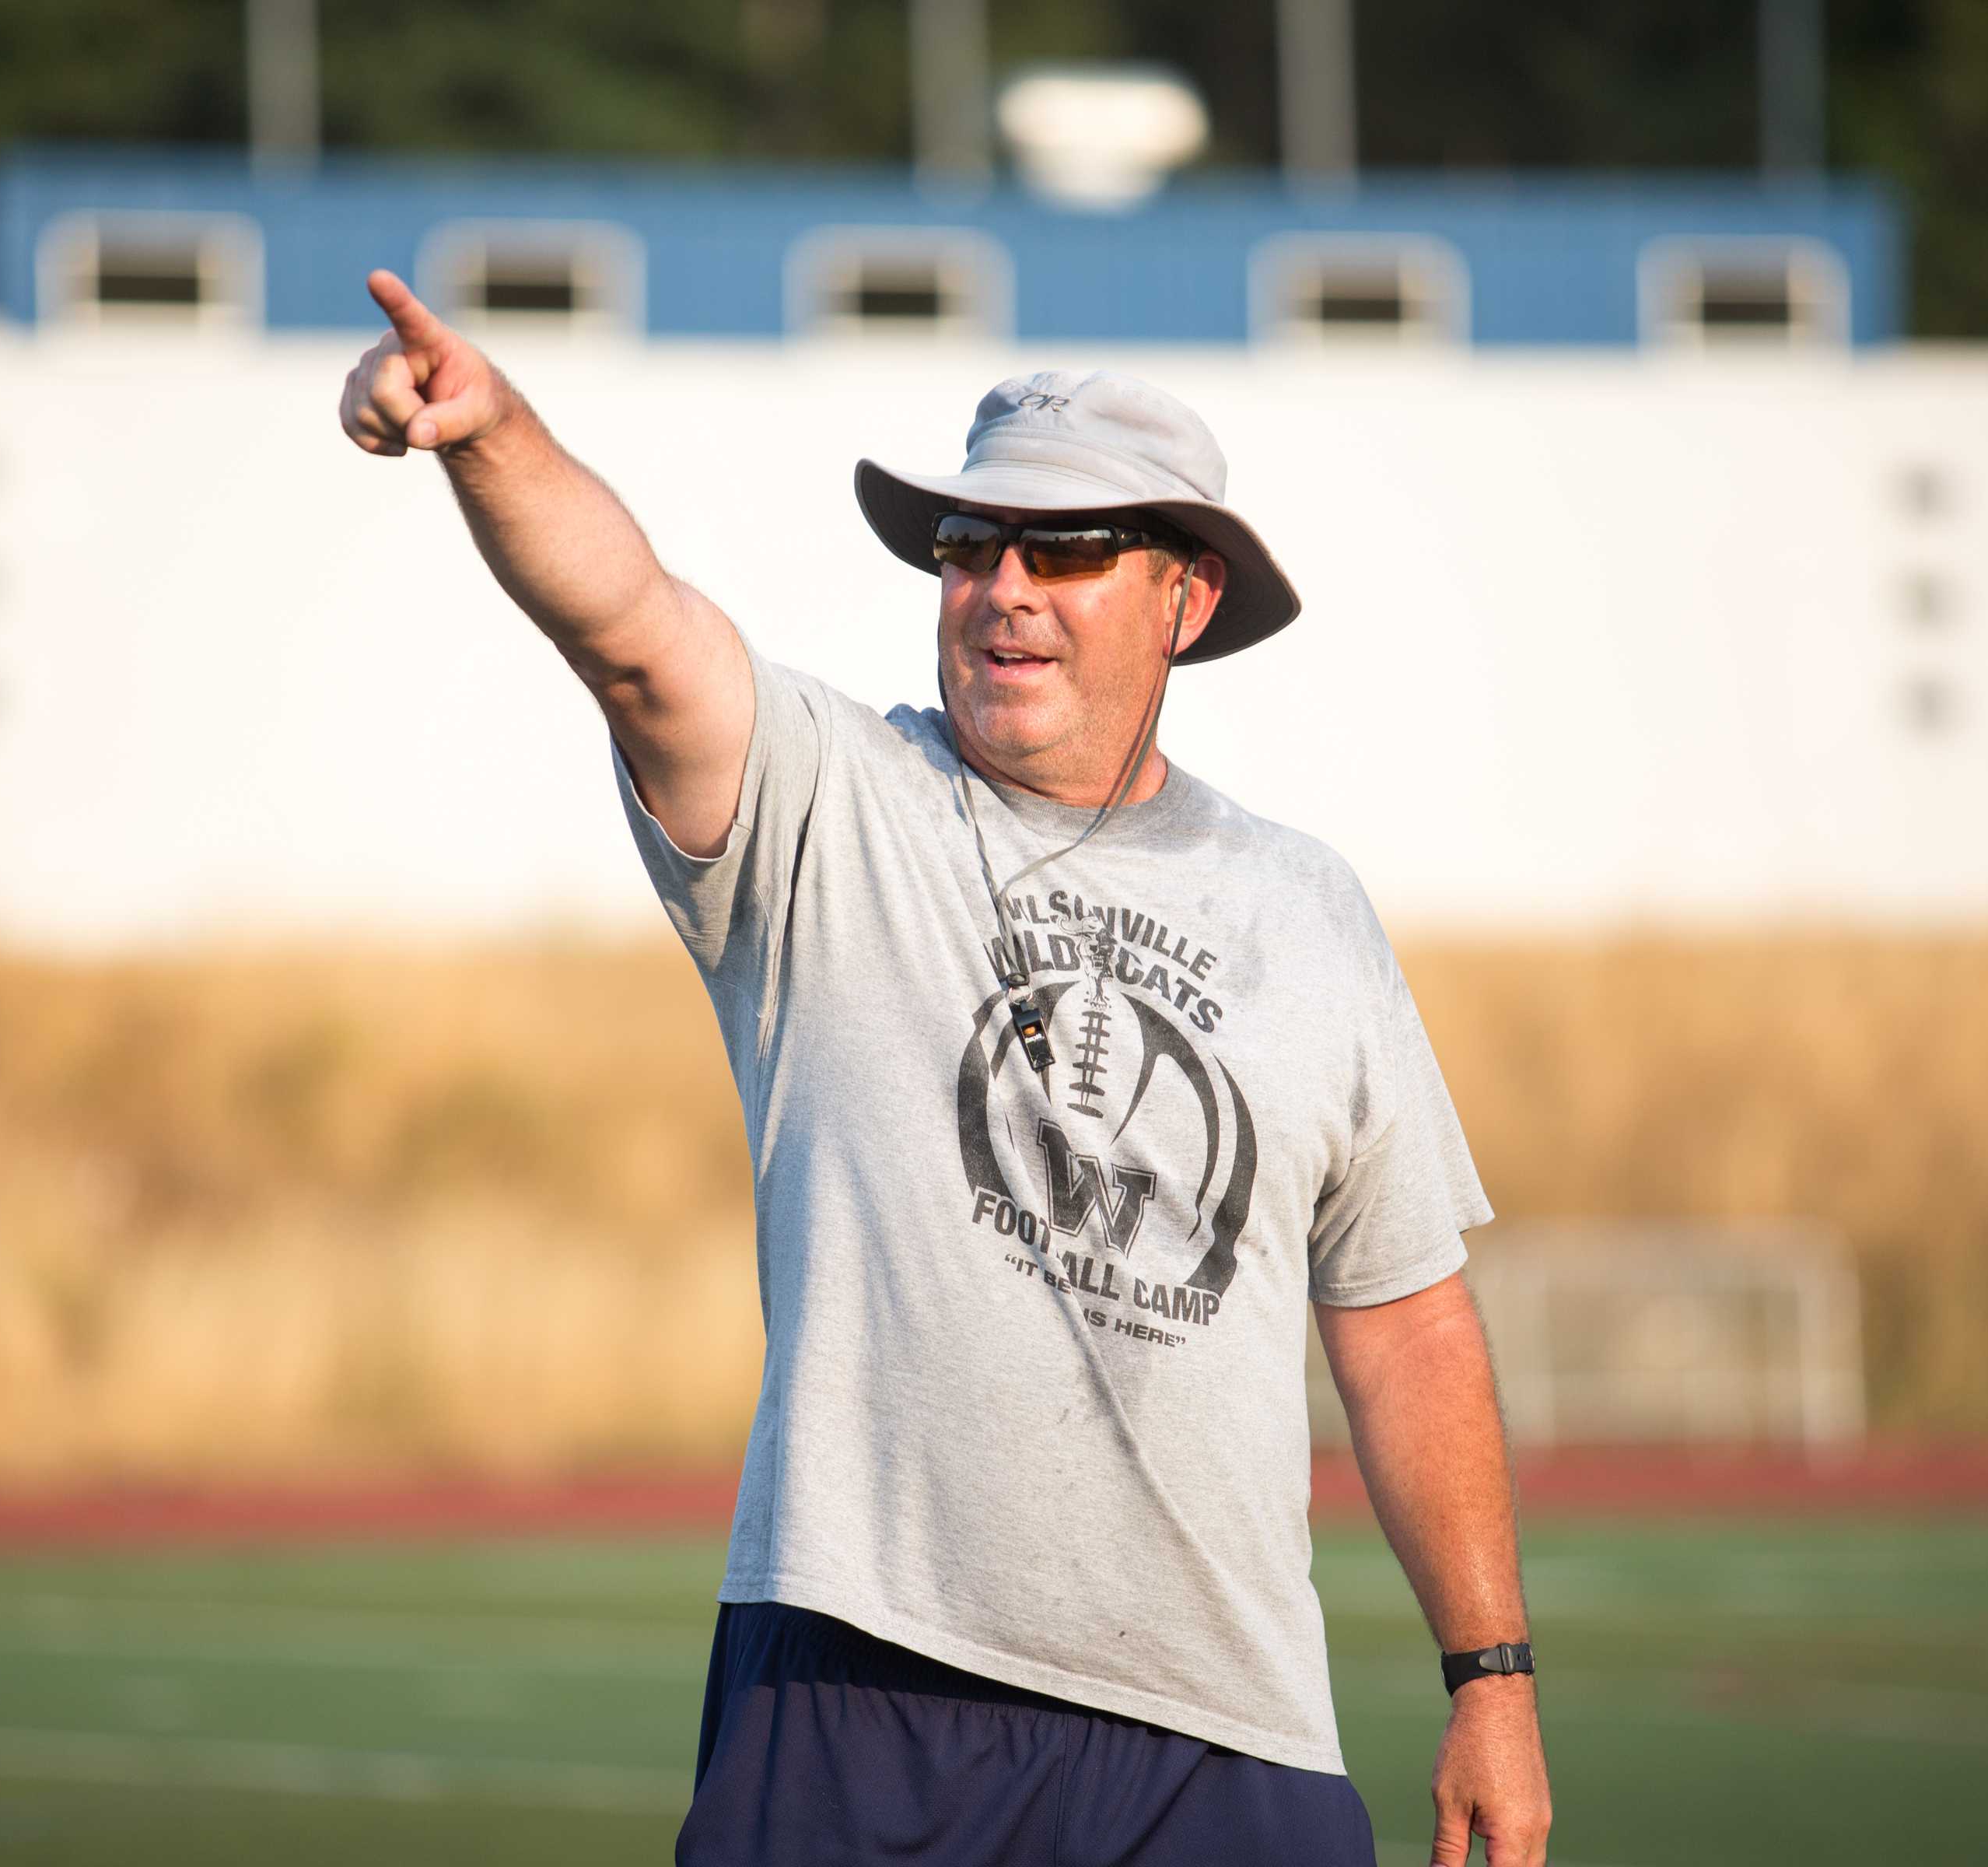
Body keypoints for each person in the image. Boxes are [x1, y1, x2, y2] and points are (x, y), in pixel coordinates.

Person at [338, 268, 1552, 1867]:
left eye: (1065, 549)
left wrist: (1492, 1680)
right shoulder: (835, 805)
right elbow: (634, 634)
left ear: (1186, 598)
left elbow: (1401, 1321)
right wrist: (487, 437)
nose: (1003, 588)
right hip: (858, 1697)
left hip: (1224, 1735)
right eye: (968, 548)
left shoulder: (1305, 908)